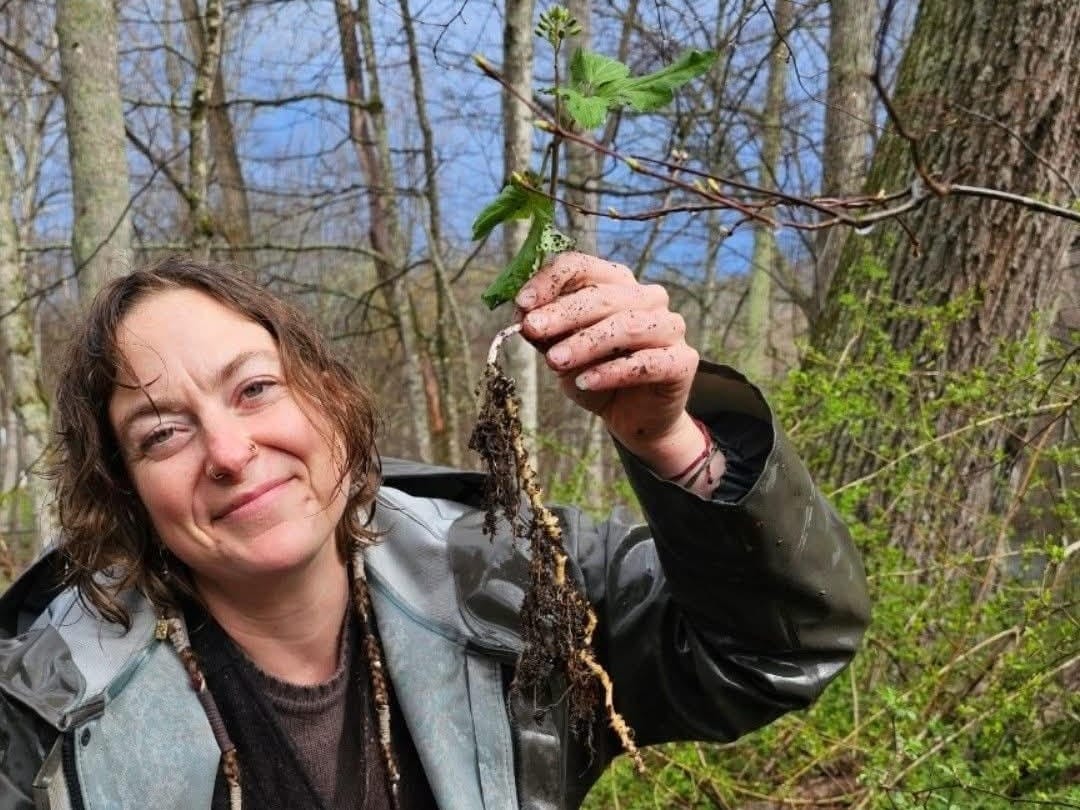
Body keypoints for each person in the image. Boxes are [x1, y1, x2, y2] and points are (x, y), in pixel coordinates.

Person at [0, 253, 869, 810]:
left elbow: (771, 656)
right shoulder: (38, 707)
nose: (230, 451)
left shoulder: (514, 582)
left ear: (330, 400)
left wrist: (669, 441)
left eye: (256, 388)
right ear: (125, 491)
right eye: (163, 433)